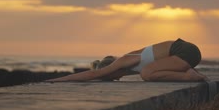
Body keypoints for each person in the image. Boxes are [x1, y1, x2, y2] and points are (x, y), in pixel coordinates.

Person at [45, 38, 208, 82]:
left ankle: (190, 76)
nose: (112, 78)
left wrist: (57, 79)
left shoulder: (125, 60)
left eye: (108, 77)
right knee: (148, 73)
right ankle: (188, 73)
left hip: (185, 51)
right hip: (184, 55)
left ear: (111, 68)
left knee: (147, 73)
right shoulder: (129, 69)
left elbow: (92, 75)